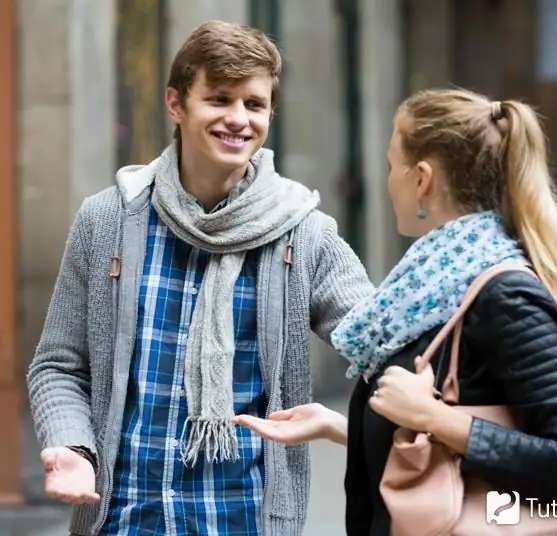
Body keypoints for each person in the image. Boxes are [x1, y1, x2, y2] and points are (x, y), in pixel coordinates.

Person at [26, 20, 374, 536]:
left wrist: (350, 430)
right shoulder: (107, 221)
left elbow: (387, 347)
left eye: (254, 105)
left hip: (242, 519)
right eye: (219, 99)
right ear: (176, 104)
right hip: (122, 518)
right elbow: (58, 365)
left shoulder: (304, 234)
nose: (238, 119)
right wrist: (74, 445)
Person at [234, 88, 557, 535]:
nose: (388, 180)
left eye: (392, 165)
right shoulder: (431, 289)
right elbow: (439, 438)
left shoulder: (503, 295)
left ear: (422, 179)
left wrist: (432, 417)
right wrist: (343, 426)